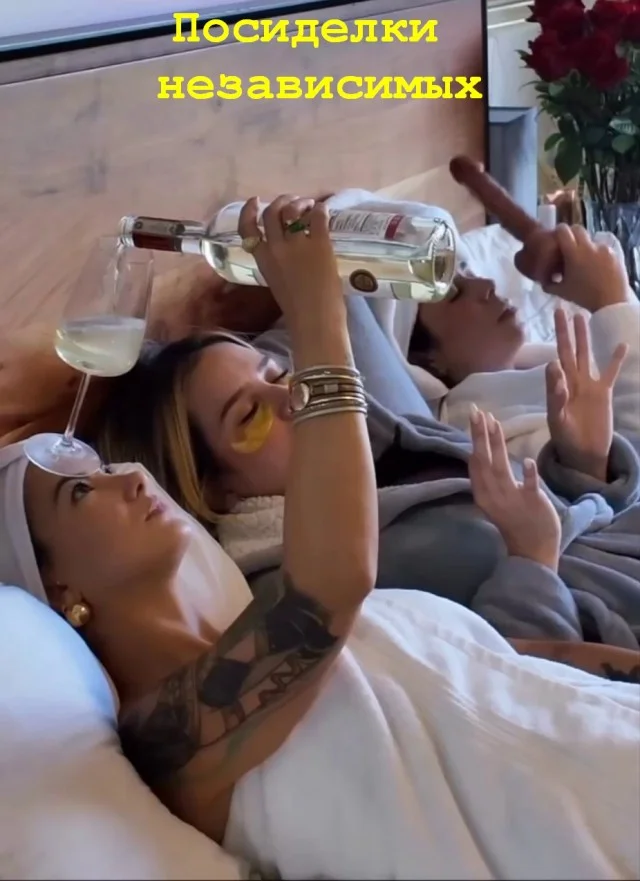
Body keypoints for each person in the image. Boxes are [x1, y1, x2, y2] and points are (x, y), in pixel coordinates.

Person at [1, 195, 639, 879]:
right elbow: (329, 585)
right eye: (78, 492)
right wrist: (315, 312)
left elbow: (521, 666)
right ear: (58, 587)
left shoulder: (338, 621)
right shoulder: (169, 740)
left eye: (103, 467)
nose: (127, 479)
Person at [93, 246, 640, 650]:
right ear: (217, 489)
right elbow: (518, 691)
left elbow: (569, 524)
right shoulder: (310, 591)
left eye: (278, 373)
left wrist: (585, 462)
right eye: (249, 413)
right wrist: (532, 563)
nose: (294, 397)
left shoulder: (390, 440)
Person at [408, 224, 639, 464]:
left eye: (469, 272)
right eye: (456, 294)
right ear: (428, 360)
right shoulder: (491, 436)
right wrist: (611, 301)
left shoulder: (543, 369)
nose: (487, 285)